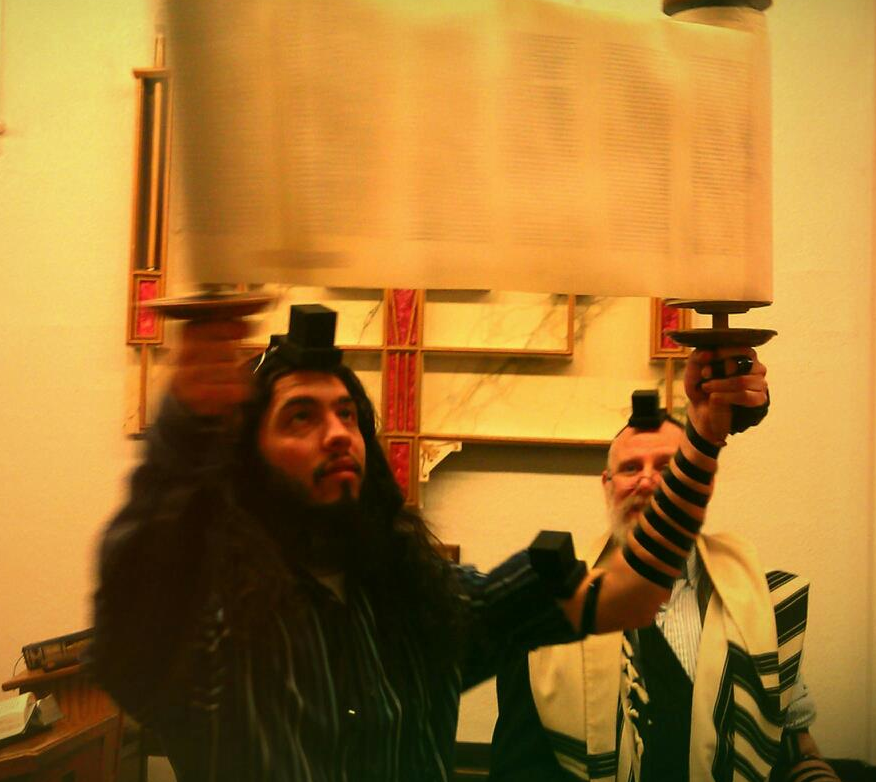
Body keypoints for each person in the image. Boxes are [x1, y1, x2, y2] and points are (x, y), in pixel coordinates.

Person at [91, 304, 766, 782]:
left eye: (347, 414)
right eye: (301, 417)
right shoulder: (210, 625)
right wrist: (184, 434)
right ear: (250, 463)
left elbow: (628, 594)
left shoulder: (424, 604)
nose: (338, 433)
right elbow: (131, 608)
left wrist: (703, 436)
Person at [490, 390, 840, 782]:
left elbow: (796, 750)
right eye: (630, 468)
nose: (647, 481)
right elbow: (518, 766)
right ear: (608, 485)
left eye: (667, 467)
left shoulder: (763, 603)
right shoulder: (552, 606)